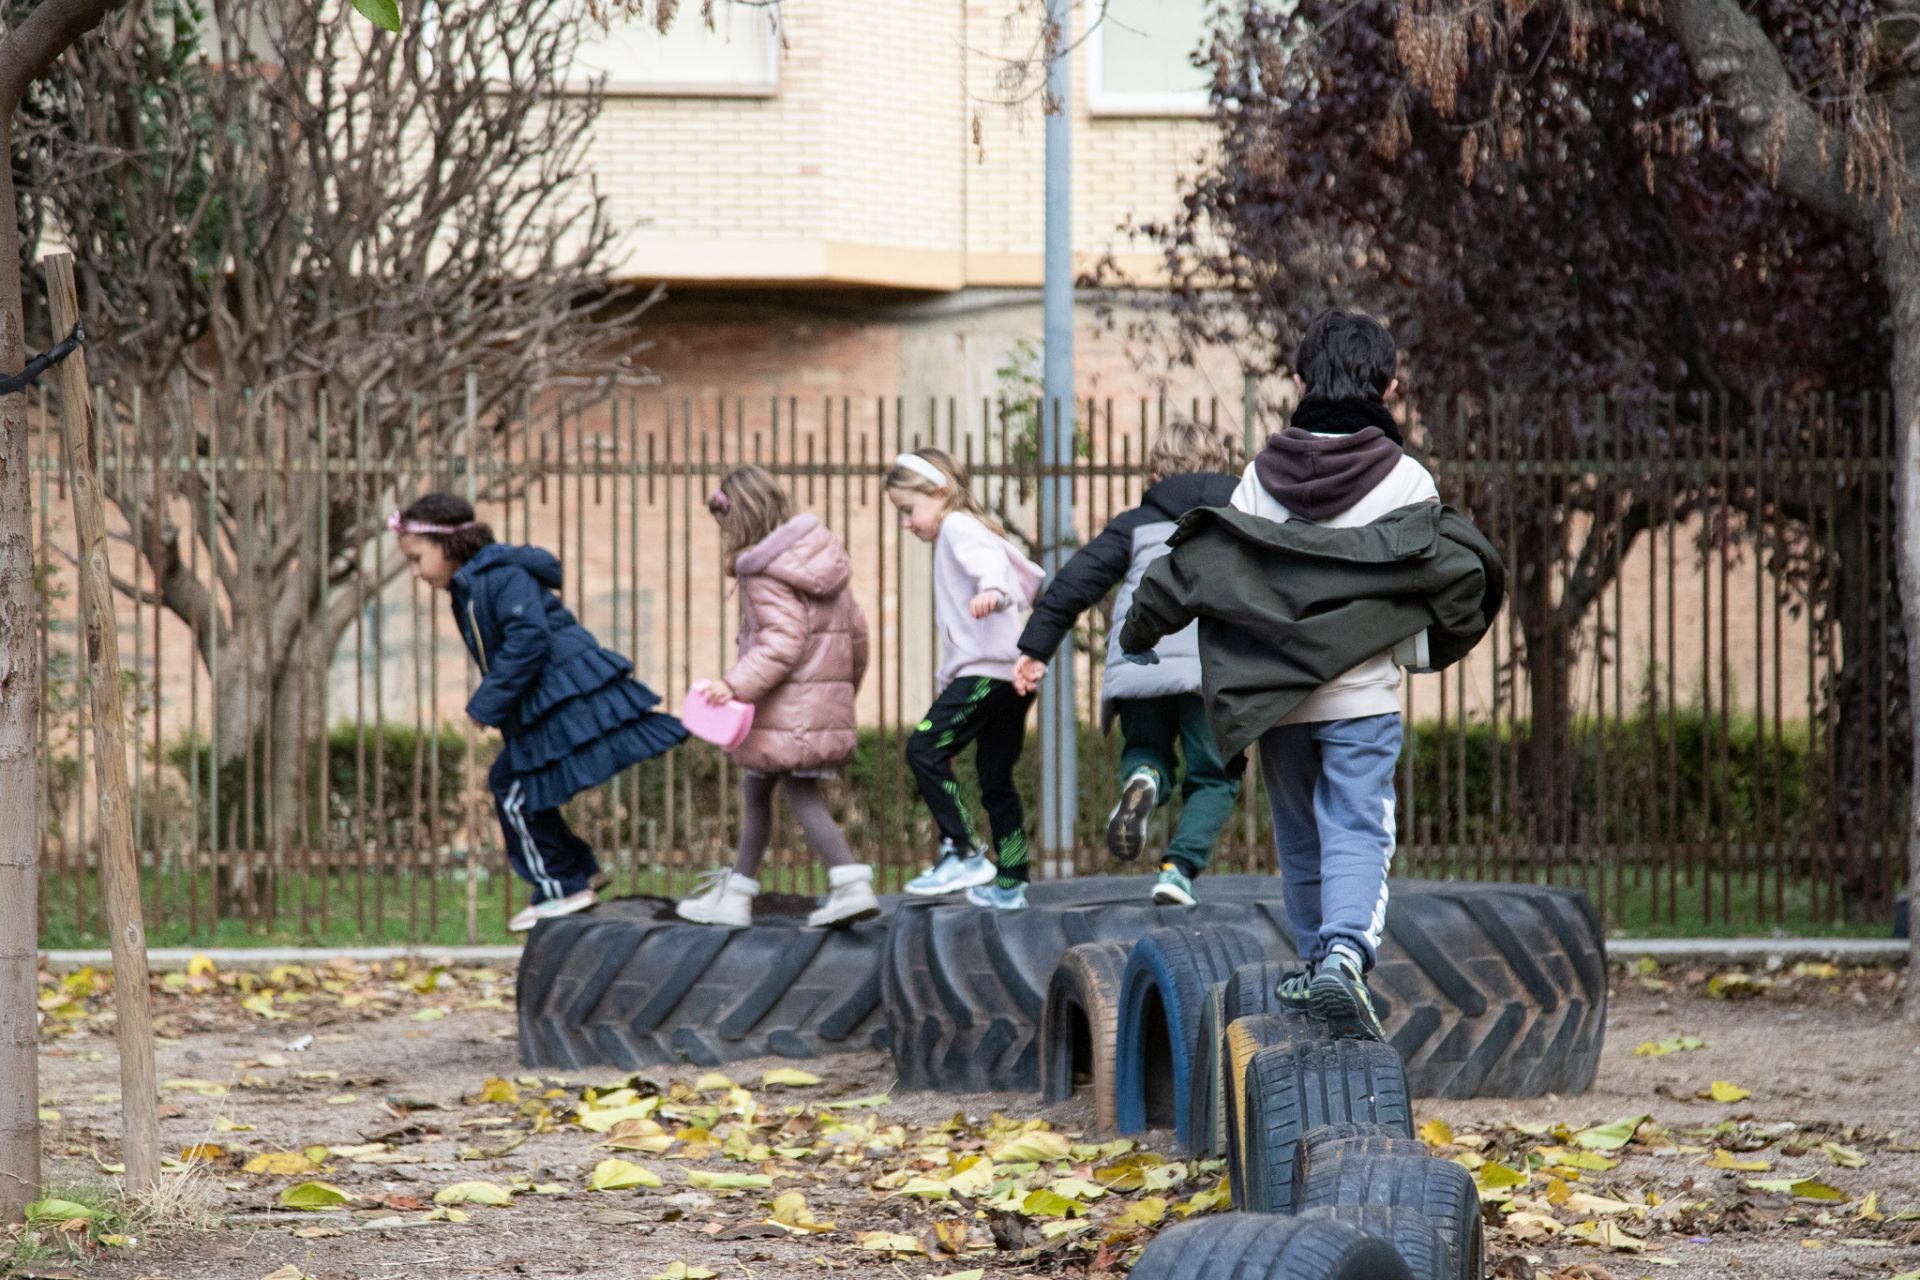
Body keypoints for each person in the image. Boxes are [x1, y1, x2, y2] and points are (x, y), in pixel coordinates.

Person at [1116, 310, 1503, 1041]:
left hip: (1278, 700)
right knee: (1358, 825)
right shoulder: (1407, 479)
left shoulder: (1260, 476)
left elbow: (1208, 562)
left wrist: (1140, 635)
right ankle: (1346, 957)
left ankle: (1312, 962)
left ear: (1297, 382)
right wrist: (1415, 650)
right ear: (1391, 385)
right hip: (1360, 696)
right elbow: (1453, 579)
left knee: (1300, 837)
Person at [391, 493, 687, 932]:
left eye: (418, 559)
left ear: (447, 545)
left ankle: (561, 885)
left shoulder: (500, 576)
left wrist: (488, 702)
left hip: (564, 695)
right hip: (549, 697)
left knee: (512, 787)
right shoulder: (474, 583)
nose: (416, 573)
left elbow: (529, 638)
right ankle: (576, 871)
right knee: (522, 785)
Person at [1011, 419, 1243, 905]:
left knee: (1146, 749)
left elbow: (1075, 582)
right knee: (1215, 776)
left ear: (1156, 471)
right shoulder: (1242, 516)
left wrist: (1035, 648)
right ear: (1219, 464)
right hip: (1211, 665)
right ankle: (1176, 870)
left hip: (1142, 657)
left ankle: (1145, 780)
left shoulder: (1136, 524)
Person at [675, 466, 878, 929]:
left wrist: (734, 685)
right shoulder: (821, 562)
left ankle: (849, 882)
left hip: (784, 704)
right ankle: (737, 894)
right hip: (808, 706)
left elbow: (782, 642)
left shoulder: (763, 570)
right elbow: (858, 637)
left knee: (799, 791)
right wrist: (838, 695)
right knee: (758, 786)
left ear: (740, 518)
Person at [886, 447, 1044, 910]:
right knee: (995, 778)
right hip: (1006, 679)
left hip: (985, 674)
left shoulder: (957, 526)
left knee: (924, 749)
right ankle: (1012, 879)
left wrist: (992, 592)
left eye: (908, 511)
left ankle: (963, 851)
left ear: (939, 492)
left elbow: (990, 571)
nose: (907, 523)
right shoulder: (968, 531)